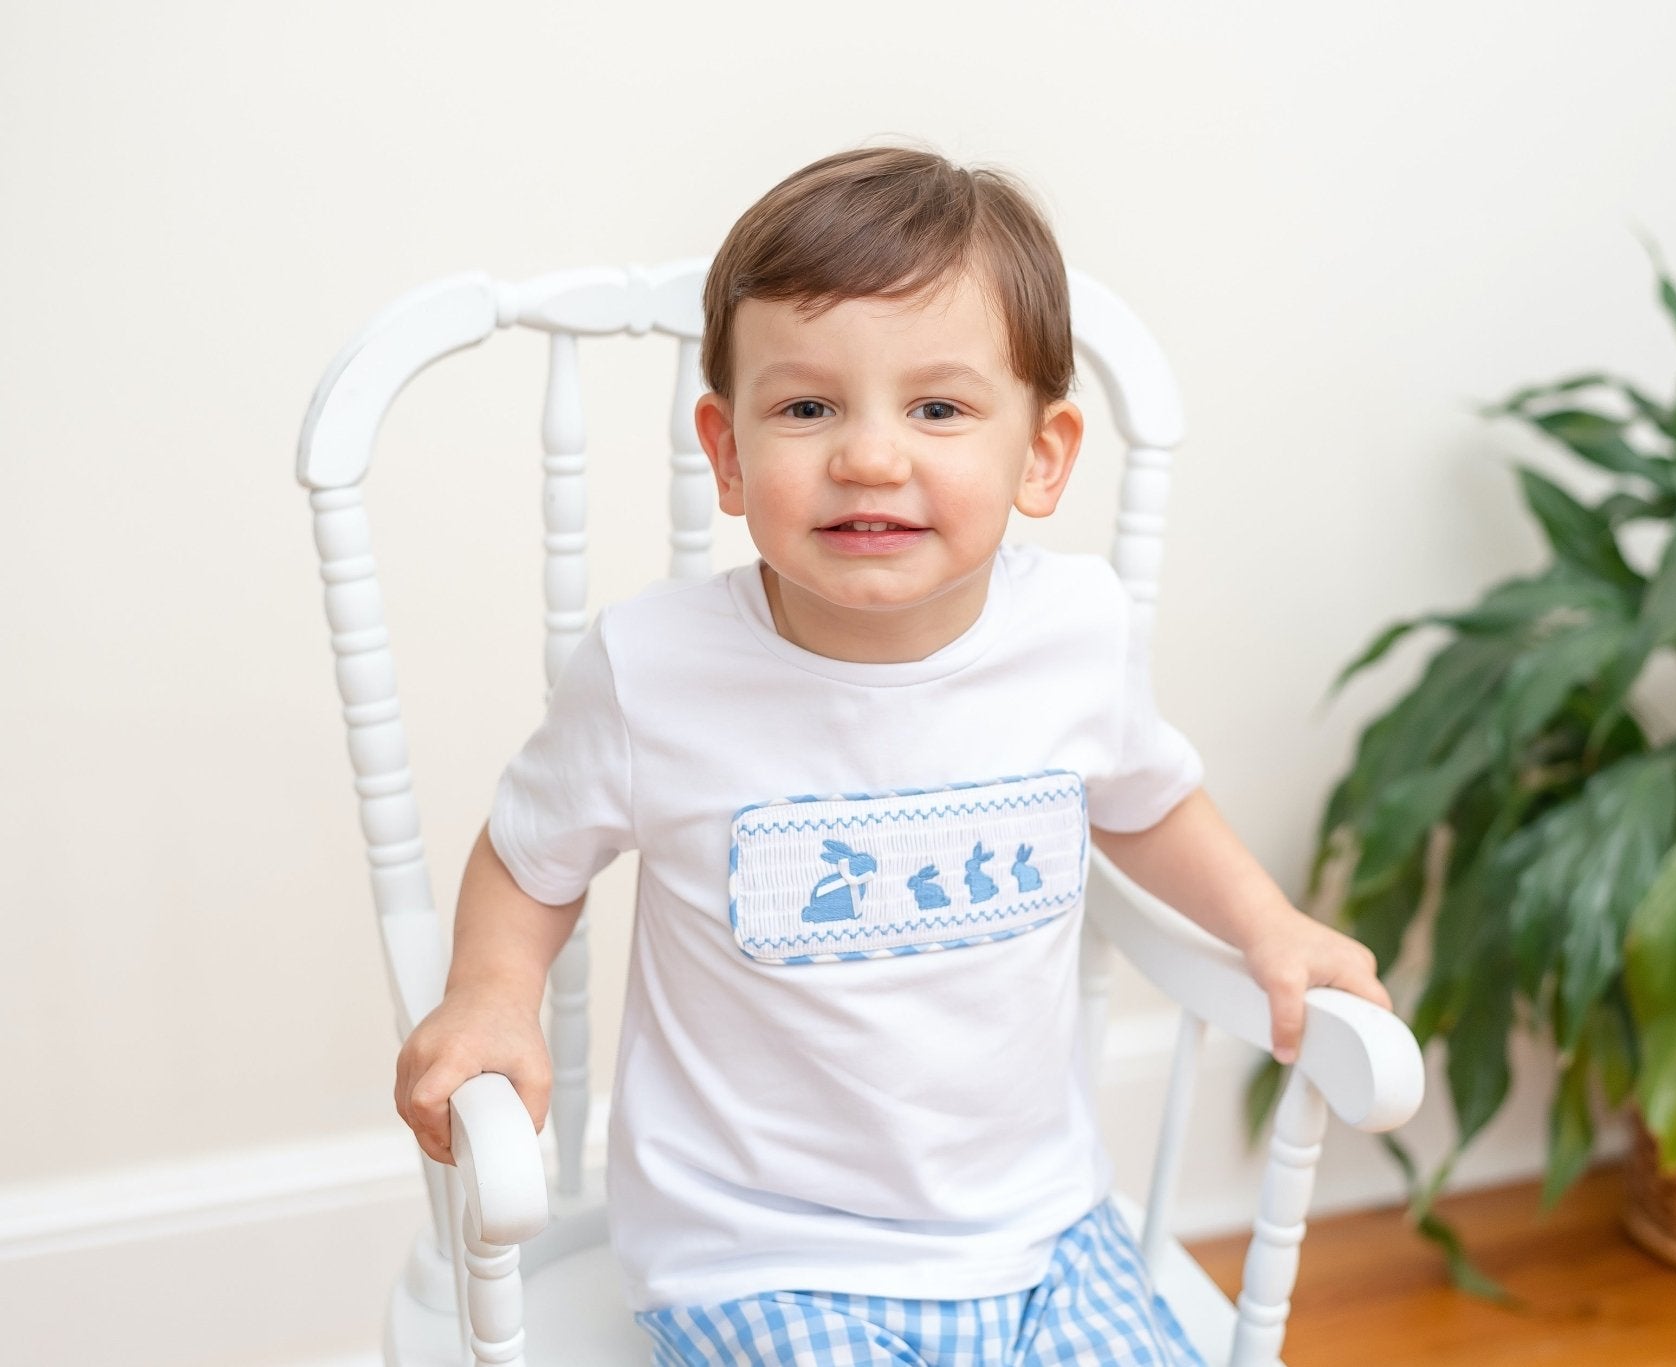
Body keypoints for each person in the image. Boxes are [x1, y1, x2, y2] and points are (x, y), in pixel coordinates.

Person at [393, 143, 1391, 1366]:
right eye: (806, 407)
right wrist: (494, 995)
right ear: (726, 451)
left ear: (1041, 455)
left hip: (1039, 1224)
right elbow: (528, 855)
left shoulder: (1073, 634)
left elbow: (1148, 798)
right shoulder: (655, 670)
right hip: (759, 1253)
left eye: (937, 408)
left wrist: (1265, 924)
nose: (869, 456)